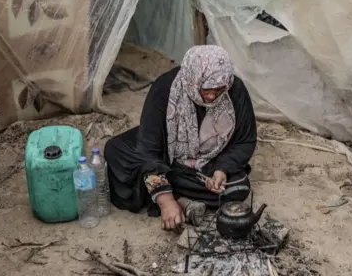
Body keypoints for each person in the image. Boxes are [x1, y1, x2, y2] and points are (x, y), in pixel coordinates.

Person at [104, 45, 257, 231]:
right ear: (193, 80)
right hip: (165, 150)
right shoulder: (165, 88)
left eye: (219, 90)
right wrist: (165, 201)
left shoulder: (235, 90)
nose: (211, 96)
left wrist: (222, 169)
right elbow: (149, 148)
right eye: (206, 89)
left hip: (207, 160)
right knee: (115, 150)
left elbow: (244, 141)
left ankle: (177, 196)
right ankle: (178, 200)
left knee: (237, 187)